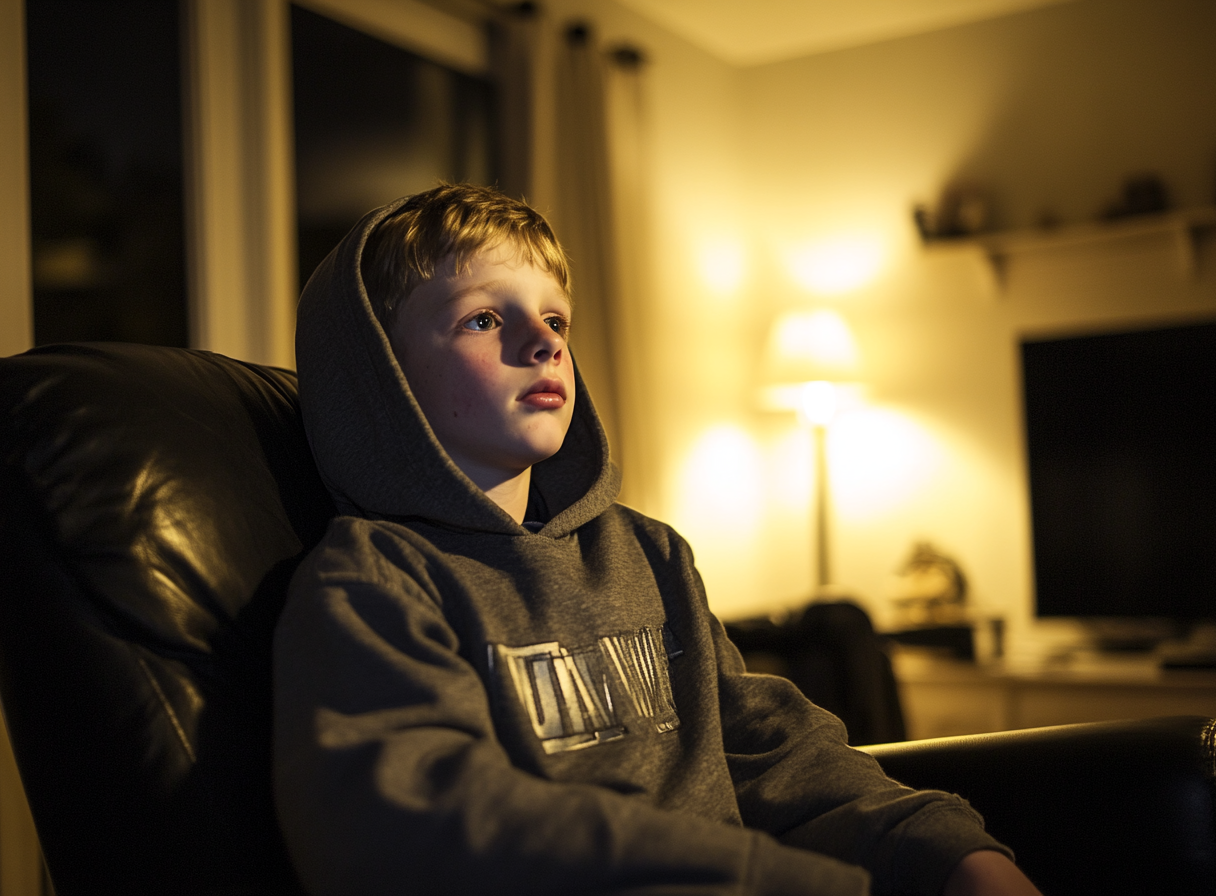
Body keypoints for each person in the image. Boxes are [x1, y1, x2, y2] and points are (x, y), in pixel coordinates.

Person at [274, 183, 1041, 896]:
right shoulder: (374, 580)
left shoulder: (650, 555)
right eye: (482, 317)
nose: (542, 343)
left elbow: (771, 748)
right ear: (382, 376)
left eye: (555, 319)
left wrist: (952, 854)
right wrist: (762, 875)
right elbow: (415, 817)